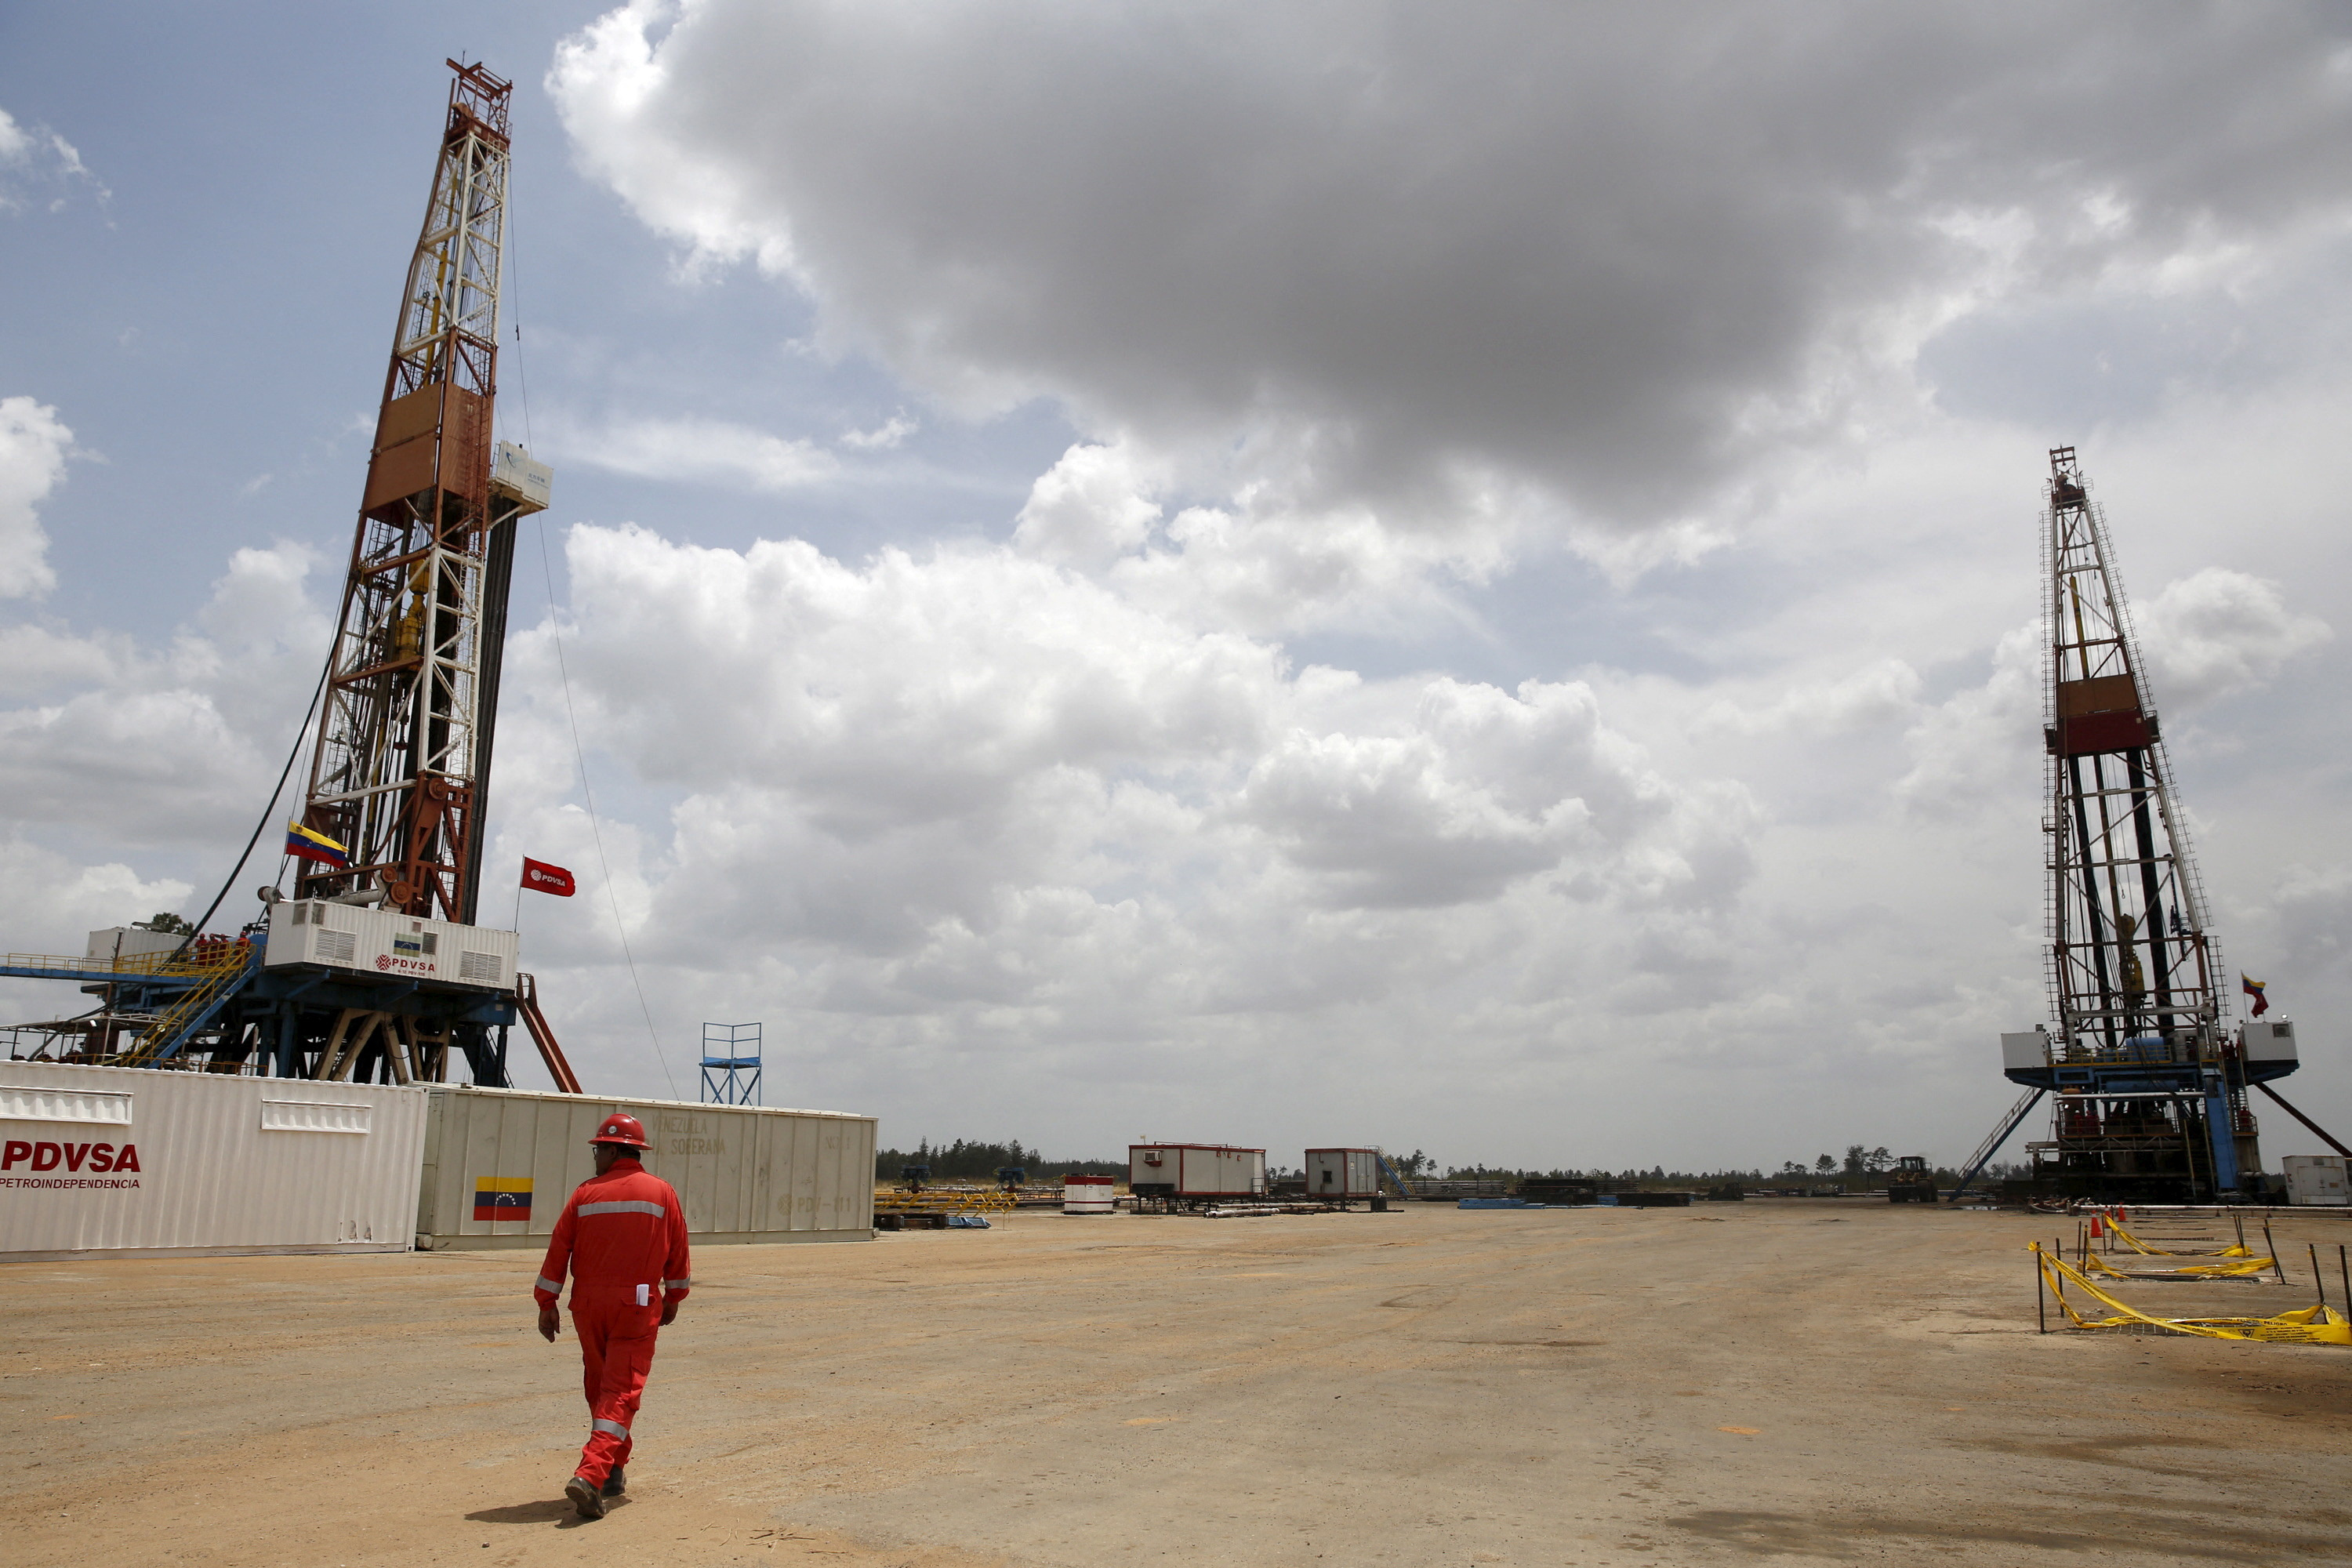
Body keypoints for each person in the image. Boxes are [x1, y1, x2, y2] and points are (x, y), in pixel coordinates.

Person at [533, 1112, 691, 1519]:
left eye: (598, 1150)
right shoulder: (662, 1193)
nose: (595, 1158)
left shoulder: (584, 1195)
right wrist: (674, 1297)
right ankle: (590, 1475)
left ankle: (612, 1472)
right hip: (635, 1306)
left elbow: (558, 1249)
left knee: (601, 1388)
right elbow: (678, 1251)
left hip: (588, 1305)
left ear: (613, 1150)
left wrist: (547, 1302)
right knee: (620, 1392)